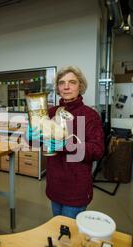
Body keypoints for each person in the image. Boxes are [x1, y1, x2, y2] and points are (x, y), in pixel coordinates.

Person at [27, 66, 104, 219]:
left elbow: (97, 150)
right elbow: (37, 143)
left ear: (80, 86)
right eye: (62, 83)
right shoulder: (50, 112)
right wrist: (31, 136)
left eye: (72, 82)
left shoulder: (89, 115)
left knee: (69, 238)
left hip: (76, 189)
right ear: (58, 88)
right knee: (57, 230)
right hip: (55, 186)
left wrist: (67, 145)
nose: (66, 86)